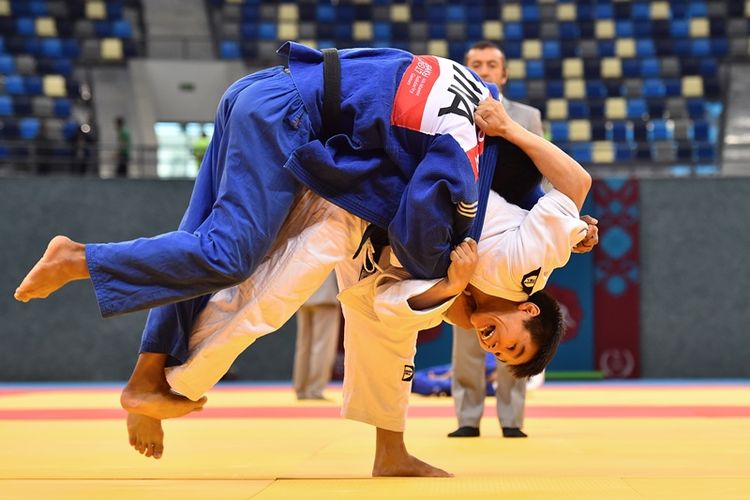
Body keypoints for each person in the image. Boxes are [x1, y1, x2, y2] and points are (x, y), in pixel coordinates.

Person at [15, 42, 510, 473]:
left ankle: (146, 380)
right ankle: (80, 259)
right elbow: (422, 219)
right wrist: (441, 269)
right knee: (228, 256)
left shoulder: (467, 96)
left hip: (264, 91)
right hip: (286, 114)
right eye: (461, 311)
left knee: (197, 242)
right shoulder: (465, 147)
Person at [122, 99, 595, 474]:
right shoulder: (528, 268)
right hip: (367, 202)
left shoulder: (475, 306)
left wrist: (455, 286)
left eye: (499, 356)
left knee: (389, 340)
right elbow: (576, 184)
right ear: (529, 310)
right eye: (510, 345)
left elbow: (410, 306)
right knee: (267, 301)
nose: (493, 346)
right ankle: (171, 387)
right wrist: (516, 134)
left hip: (383, 248)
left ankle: (390, 453)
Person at [449, 40, 545, 440]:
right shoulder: (451, 110)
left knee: (514, 328)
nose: (485, 70)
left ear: (503, 74)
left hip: (518, 236)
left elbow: (542, 164)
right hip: (465, 229)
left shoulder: (526, 116)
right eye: (476, 64)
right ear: (464, 69)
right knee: (469, 328)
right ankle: (467, 417)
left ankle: (512, 418)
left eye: (492, 65)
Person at [292, 272, 340, 400]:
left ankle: (301, 388)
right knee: (323, 345)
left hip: (303, 291)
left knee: (303, 345)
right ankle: (315, 390)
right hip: (326, 292)